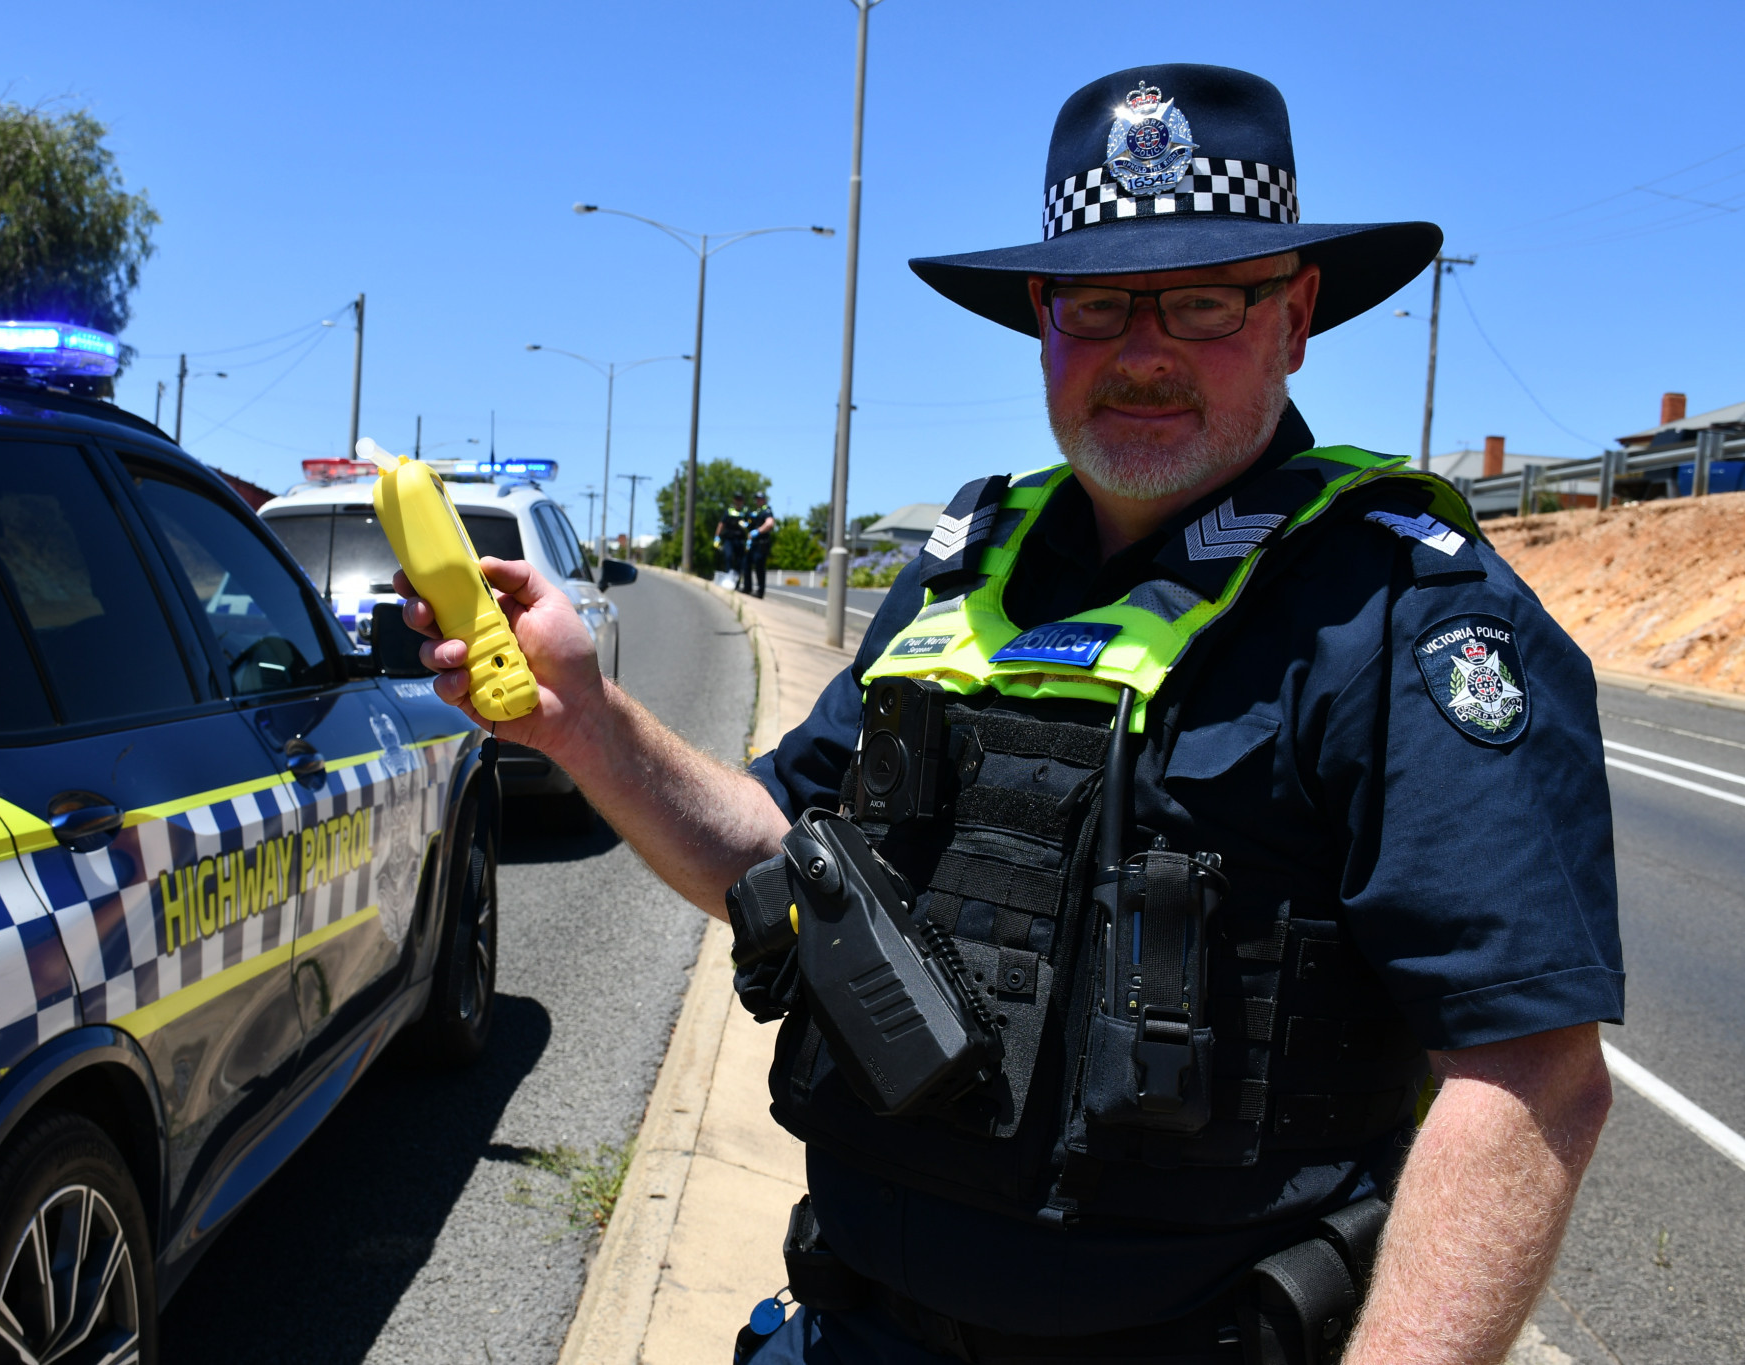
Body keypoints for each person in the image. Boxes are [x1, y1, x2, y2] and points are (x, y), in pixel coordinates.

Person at [398, 64, 1620, 1365]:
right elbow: (772, 853)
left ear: (1296, 313)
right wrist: (582, 716)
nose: (1143, 351)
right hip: (856, 1328)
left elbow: (1534, 1073)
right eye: (1098, 303)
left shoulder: (1398, 608)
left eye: (1202, 301)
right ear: (1043, 317)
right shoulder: (963, 567)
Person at [741, 491, 777, 597]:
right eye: (757, 499)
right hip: (752, 543)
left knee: (759, 567)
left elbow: (770, 523)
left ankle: (760, 592)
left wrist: (758, 531)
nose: (758, 500)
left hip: (762, 543)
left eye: (760, 499)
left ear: (764, 500)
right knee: (746, 564)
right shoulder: (755, 512)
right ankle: (747, 588)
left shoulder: (767, 510)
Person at [718, 490, 752, 586]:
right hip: (729, 539)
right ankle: (728, 579)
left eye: (740, 499)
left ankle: (736, 582)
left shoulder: (746, 512)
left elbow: (751, 524)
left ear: (743, 501)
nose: (738, 501)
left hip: (740, 540)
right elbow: (721, 524)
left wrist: (747, 526)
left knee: (739, 561)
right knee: (728, 557)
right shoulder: (729, 511)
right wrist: (717, 536)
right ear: (734, 500)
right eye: (737, 499)